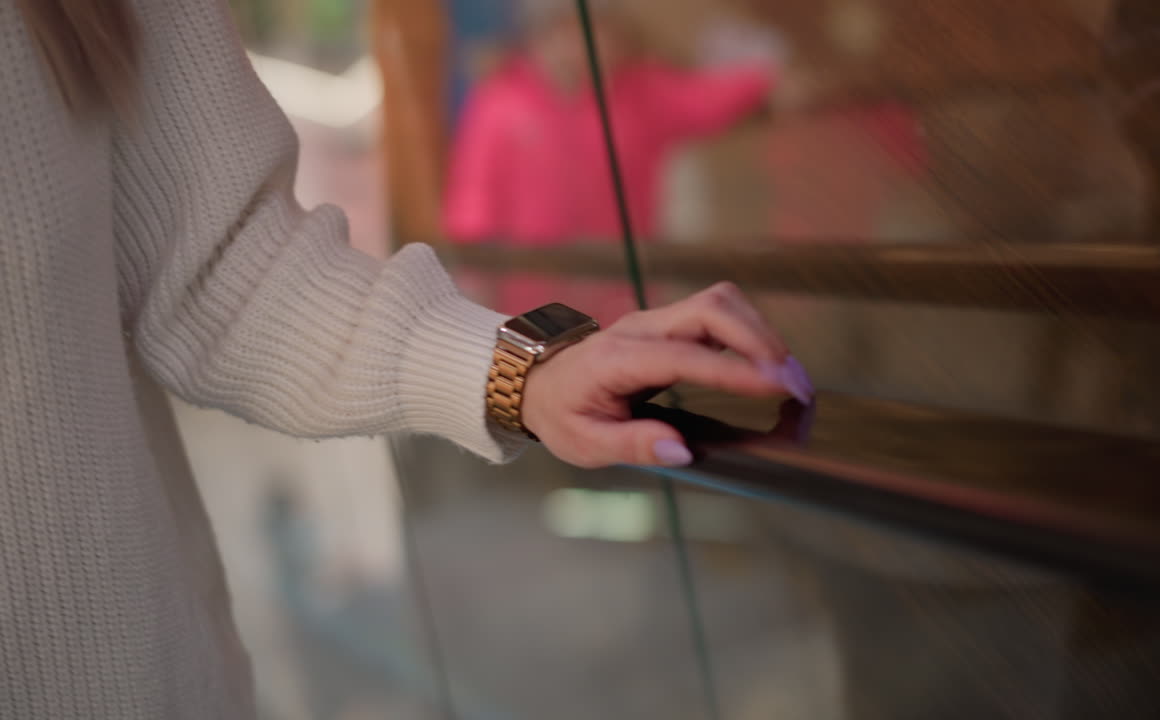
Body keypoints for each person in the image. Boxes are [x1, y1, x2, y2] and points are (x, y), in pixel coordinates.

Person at [0, 1, 811, 717]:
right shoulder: (506, 105)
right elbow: (470, 214)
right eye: (564, 28)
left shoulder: (631, 97)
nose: (578, 44)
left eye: (590, 30)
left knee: (614, 504)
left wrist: (514, 363)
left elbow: (227, 269)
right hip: (541, 322)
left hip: (572, 350)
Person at [443, 0, 781, 245]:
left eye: (605, 32)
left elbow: (707, 99)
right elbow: (475, 192)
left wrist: (765, 78)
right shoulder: (501, 100)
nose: (593, 45)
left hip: (618, 277)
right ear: (541, 36)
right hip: (527, 283)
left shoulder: (642, 93)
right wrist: (474, 266)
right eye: (571, 30)